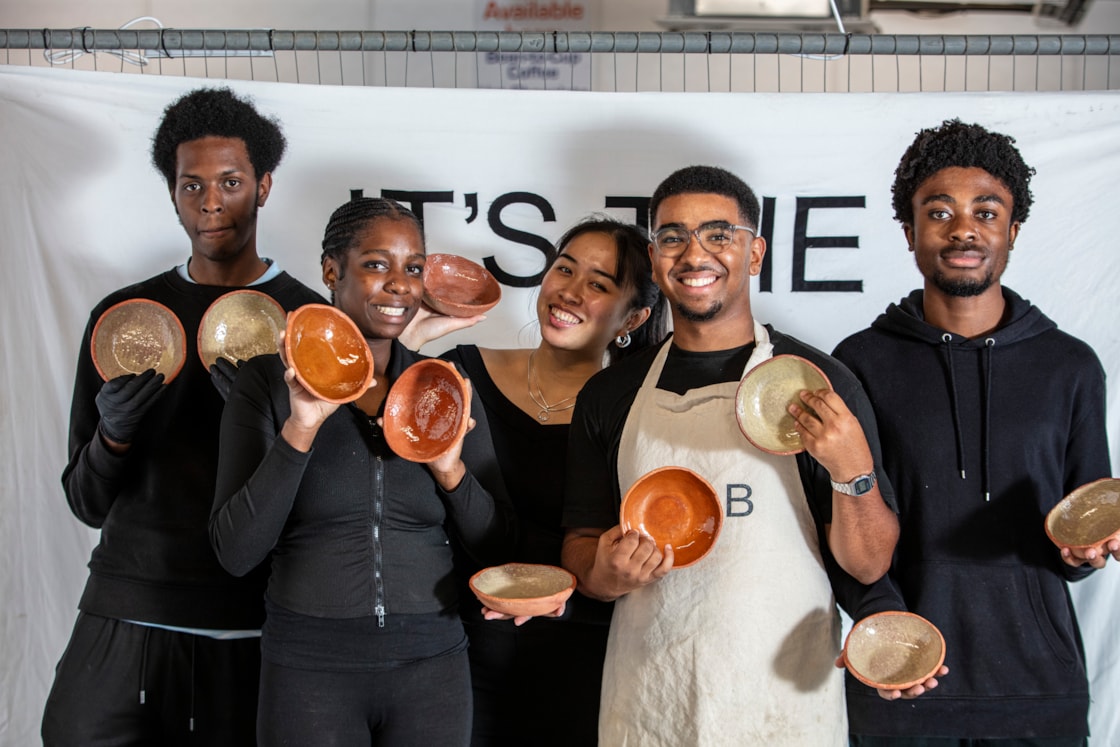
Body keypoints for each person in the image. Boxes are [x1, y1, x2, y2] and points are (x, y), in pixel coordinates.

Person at [560, 165, 900, 746]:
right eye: (673, 237)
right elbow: (580, 546)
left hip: (783, 707)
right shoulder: (610, 394)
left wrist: (852, 470)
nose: (695, 254)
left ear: (755, 252)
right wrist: (602, 573)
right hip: (649, 705)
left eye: (719, 235)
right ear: (654, 254)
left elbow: (867, 565)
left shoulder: (814, 383)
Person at [43, 87, 324, 746]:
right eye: (190, 184)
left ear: (264, 186)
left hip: (252, 619)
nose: (210, 201)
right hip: (128, 608)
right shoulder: (124, 319)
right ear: (171, 194)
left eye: (230, 181)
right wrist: (112, 433)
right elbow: (85, 501)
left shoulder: (309, 321)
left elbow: (329, 506)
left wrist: (267, 425)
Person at [833, 119, 1114, 746]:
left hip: (1039, 691)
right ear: (909, 233)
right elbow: (841, 524)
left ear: (1012, 231)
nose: (964, 228)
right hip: (903, 683)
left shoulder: (1070, 366)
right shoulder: (859, 362)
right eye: (940, 212)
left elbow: (1085, 522)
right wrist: (882, 626)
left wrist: (1084, 554)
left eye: (986, 212)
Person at [209, 196, 516, 746]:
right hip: (309, 668)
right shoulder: (268, 383)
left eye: (413, 268)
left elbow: (499, 551)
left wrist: (450, 471)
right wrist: (301, 427)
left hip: (433, 667)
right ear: (332, 270)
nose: (400, 284)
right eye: (377, 264)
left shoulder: (442, 385)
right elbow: (235, 553)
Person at [433, 217, 668, 746]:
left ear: (634, 316)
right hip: (459, 652)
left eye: (600, 284)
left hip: (585, 657)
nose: (570, 291)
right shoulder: (460, 373)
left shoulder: (637, 413)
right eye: (564, 268)